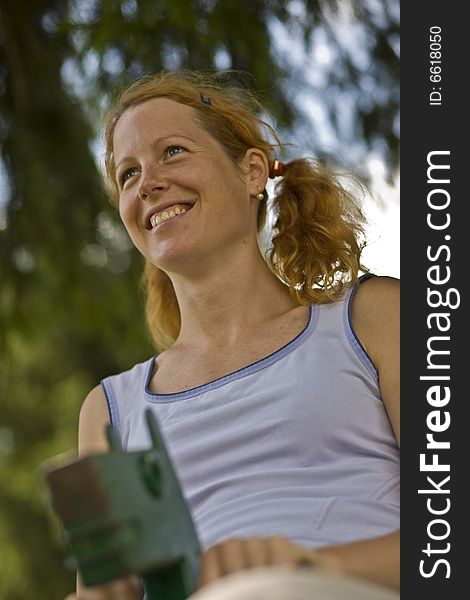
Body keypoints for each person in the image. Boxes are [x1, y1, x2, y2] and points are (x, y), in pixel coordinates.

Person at [67, 70, 400, 599]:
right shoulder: (109, 411)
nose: (148, 182)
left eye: (172, 151)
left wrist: (308, 564)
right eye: (128, 174)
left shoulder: (374, 319)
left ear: (251, 172)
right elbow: (102, 593)